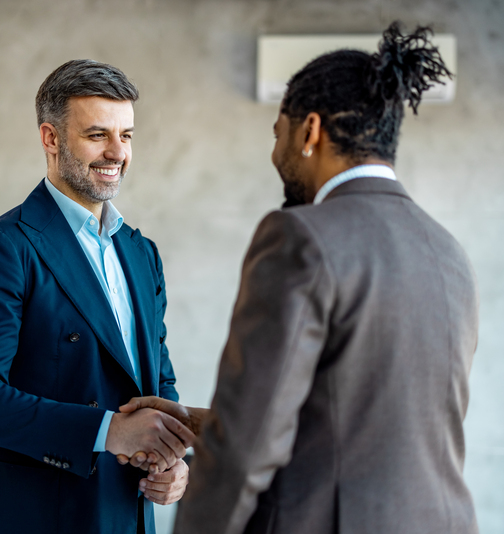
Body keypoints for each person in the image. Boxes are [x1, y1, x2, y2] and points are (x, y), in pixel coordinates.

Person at [121, 22, 479, 534]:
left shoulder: (300, 237)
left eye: (278, 134)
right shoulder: (447, 251)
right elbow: (369, 420)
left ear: (309, 132)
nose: (275, 155)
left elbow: (247, 446)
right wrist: (200, 422)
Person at [0, 59, 194, 534]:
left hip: (128, 513)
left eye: (128, 135)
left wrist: (174, 459)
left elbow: (158, 380)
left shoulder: (142, 253)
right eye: (98, 134)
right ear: (51, 139)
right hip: (37, 516)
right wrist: (109, 430)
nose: (117, 152)